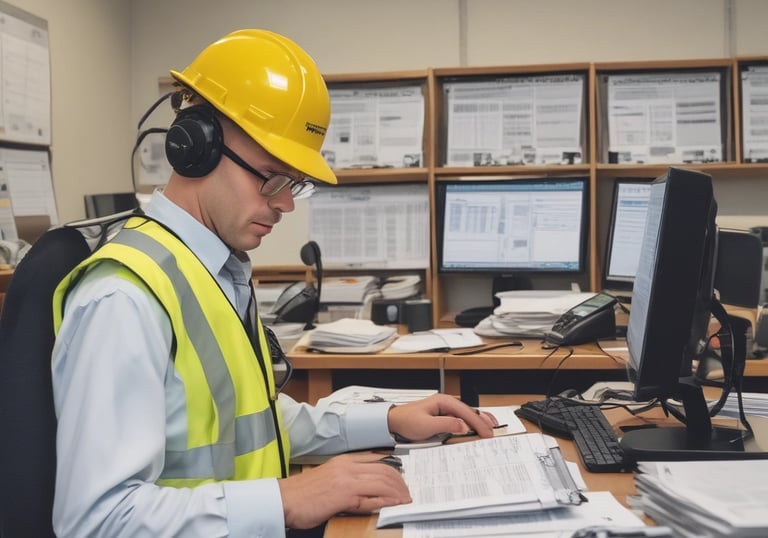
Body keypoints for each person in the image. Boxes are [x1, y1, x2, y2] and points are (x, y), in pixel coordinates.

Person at [50, 29, 497, 537]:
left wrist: (388, 420)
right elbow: (97, 520)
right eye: (271, 177)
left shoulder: (211, 272)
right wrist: (285, 500)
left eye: (293, 184)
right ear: (196, 147)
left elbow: (253, 421)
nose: (284, 204)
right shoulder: (124, 299)